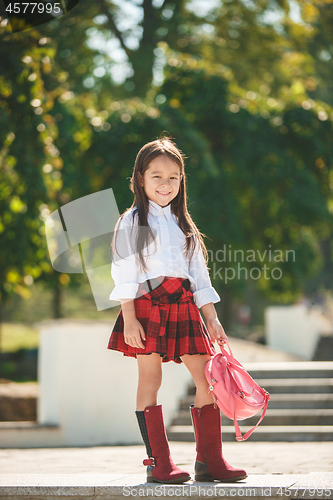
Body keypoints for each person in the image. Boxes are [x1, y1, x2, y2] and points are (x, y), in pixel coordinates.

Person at [107, 135, 247, 484]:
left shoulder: (185, 225)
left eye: (173, 177)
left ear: (182, 180)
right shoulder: (131, 220)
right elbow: (124, 270)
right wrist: (129, 319)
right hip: (145, 307)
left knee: (209, 380)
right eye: (156, 176)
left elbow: (199, 276)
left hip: (185, 306)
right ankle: (159, 463)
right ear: (140, 178)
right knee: (150, 380)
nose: (165, 184)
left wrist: (212, 318)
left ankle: (209, 461)